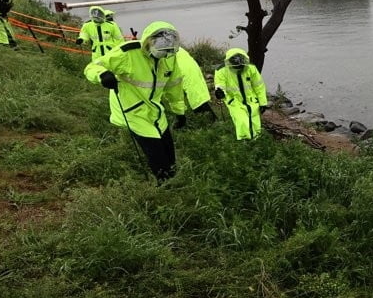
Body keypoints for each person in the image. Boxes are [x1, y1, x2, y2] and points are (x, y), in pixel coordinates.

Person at [84, 21, 208, 181]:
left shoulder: (170, 58)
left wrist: (179, 113)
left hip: (155, 111)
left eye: (167, 51)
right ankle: (164, 186)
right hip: (132, 111)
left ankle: (172, 179)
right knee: (156, 154)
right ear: (149, 41)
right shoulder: (128, 53)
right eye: (161, 50)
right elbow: (92, 67)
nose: (164, 54)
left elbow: (174, 87)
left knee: (169, 152)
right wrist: (102, 75)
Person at [213, 48, 268, 140]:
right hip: (234, 101)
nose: (239, 68)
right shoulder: (221, 70)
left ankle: (256, 142)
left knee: (255, 122)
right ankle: (244, 142)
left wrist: (263, 102)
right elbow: (220, 84)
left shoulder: (251, 68)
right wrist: (219, 92)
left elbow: (259, 86)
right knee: (242, 122)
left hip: (251, 100)